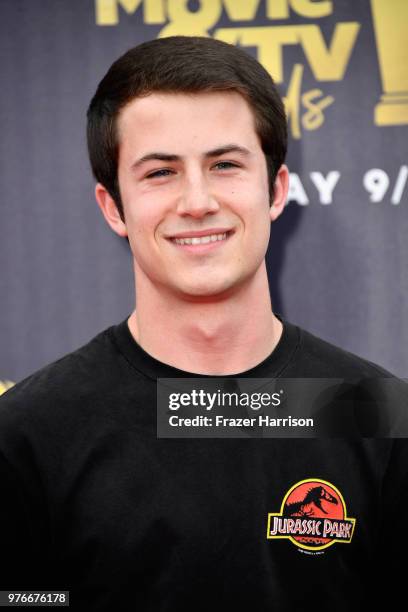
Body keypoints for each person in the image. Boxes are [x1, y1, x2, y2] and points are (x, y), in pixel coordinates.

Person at [0, 36, 406, 611]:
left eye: (224, 165)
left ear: (276, 188)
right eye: (161, 173)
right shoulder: (27, 436)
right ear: (113, 207)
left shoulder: (378, 415)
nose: (197, 201)